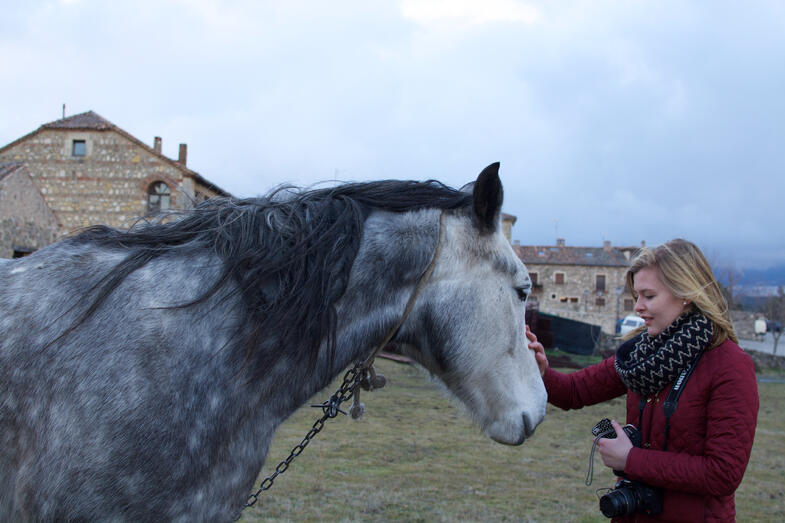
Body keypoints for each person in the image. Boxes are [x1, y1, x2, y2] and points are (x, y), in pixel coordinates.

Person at [527, 239, 758, 522]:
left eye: (648, 296)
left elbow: (723, 474)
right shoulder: (639, 355)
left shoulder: (731, 366)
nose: (637, 307)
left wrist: (630, 460)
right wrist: (540, 370)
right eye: (636, 295)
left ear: (685, 294)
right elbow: (574, 392)